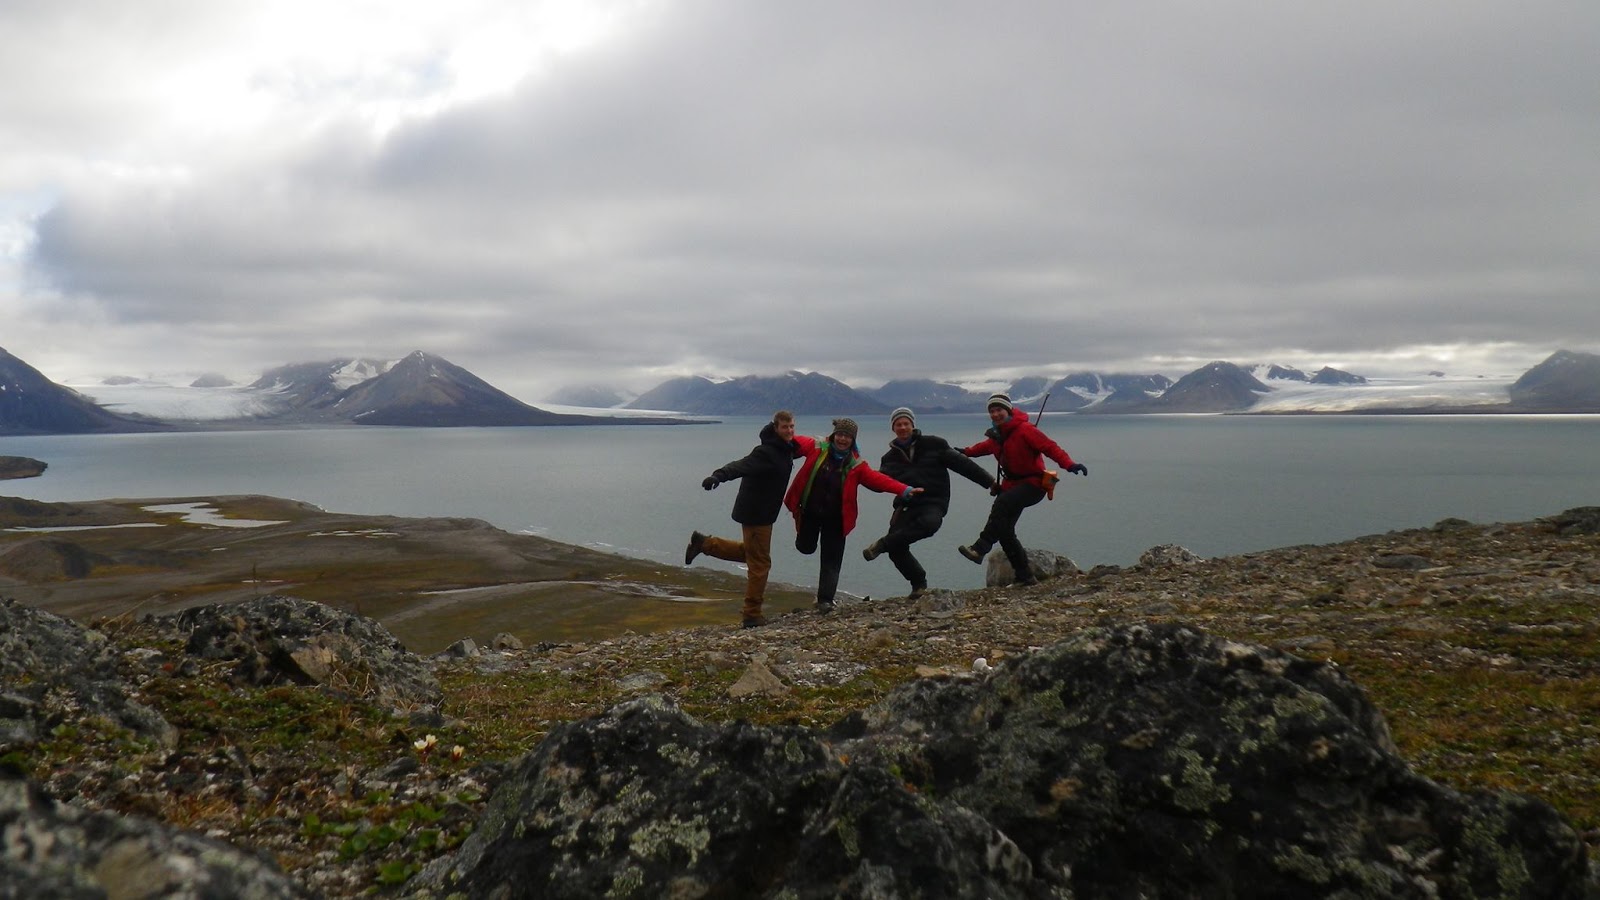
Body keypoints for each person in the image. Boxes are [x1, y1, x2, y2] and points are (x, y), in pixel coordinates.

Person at [685, 410, 814, 628]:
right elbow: (740, 465)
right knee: (760, 563)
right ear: (776, 428)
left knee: (752, 554)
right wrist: (718, 476)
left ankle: (704, 543)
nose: (790, 430)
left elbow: (807, 446)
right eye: (785, 427)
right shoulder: (766, 452)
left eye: (792, 426)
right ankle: (751, 614)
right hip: (756, 514)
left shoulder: (786, 449)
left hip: (765, 514)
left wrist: (829, 442)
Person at [783, 417, 918, 614]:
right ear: (834, 435)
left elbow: (878, 479)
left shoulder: (856, 464)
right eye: (840, 434)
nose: (843, 439)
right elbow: (790, 439)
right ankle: (803, 543)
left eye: (847, 436)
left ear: (853, 440)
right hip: (810, 513)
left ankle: (825, 600)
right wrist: (774, 429)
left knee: (832, 560)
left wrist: (904, 489)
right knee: (806, 547)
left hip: (837, 519)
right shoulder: (816, 447)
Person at [860, 407, 996, 599]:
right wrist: (859, 475)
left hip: (934, 501)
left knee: (930, 524)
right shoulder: (889, 459)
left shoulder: (934, 444)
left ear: (913, 425)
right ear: (893, 428)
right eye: (898, 424)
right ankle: (918, 584)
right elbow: (880, 483)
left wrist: (990, 482)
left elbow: (964, 465)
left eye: (906, 423)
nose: (902, 427)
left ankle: (882, 544)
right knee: (896, 550)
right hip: (906, 505)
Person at [957, 393, 1087, 586]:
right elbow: (982, 448)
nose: (995, 414)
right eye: (992, 411)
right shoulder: (997, 436)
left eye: (999, 410)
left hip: (1034, 485)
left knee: (1003, 503)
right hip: (1012, 486)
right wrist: (963, 452)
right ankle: (1025, 576)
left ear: (1008, 410)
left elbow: (1050, 448)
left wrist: (1069, 464)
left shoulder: (1026, 430)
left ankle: (980, 548)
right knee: (1005, 531)